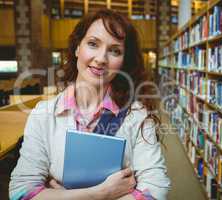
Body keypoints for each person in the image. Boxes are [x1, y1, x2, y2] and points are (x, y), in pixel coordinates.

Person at [9, 9, 170, 200]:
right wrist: (102, 193)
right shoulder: (43, 113)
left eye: (115, 51)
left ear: (123, 61)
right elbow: (21, 192)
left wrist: (59, 195)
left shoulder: (137, 115)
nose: (101, 59)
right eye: (93, 44)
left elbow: (156, 192)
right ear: (78, 47)